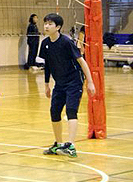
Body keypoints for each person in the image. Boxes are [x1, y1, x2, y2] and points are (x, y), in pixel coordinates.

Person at [40, 13, 96, 158]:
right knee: (54, 112)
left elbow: (82, 62)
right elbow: (48, 65)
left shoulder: (66, 42)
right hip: (59, 83)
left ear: (58, 27)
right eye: (45, 23)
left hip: (74, 82)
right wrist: (46, 85)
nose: (46, 26)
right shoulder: (45, 44)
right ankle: (58, 144)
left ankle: (70, 145)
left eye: (50, 24)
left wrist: (90, 82)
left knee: (71, 111)